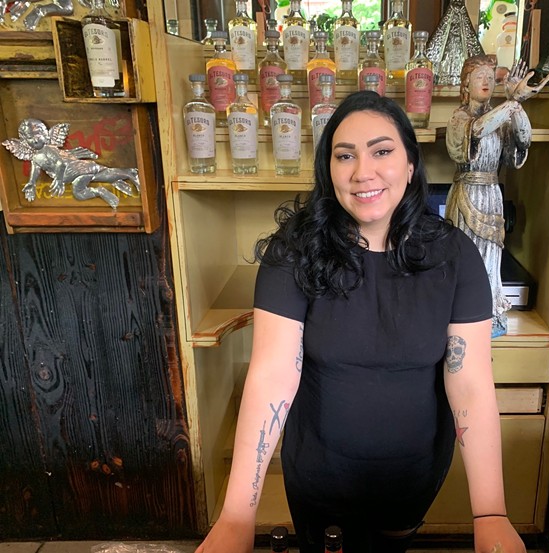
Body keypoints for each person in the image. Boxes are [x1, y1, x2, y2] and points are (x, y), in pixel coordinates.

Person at [195, 91, 525, 553]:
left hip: (412, 477)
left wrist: (491, 513)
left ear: (411, 164)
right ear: (329, 172)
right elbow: (272, 375)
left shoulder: (455, 256)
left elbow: (469, 381)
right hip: (318, 477)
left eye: (382, 151)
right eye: (344, 155)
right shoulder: (294, 252)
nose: (362, 172)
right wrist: (236, 514)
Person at [445, 56, 549, 337]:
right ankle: (461, 312)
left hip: (492, 193)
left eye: (491, 77)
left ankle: (489, 313)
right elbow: (477, 131)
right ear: (465, 83)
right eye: (480, 76)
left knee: (491, 256)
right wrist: (513, 102)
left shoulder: (503, 115)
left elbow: (524, 140)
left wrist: (518, 105)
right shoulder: (460, 117)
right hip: (467, 192)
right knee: (465, 254)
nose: (486, 82)